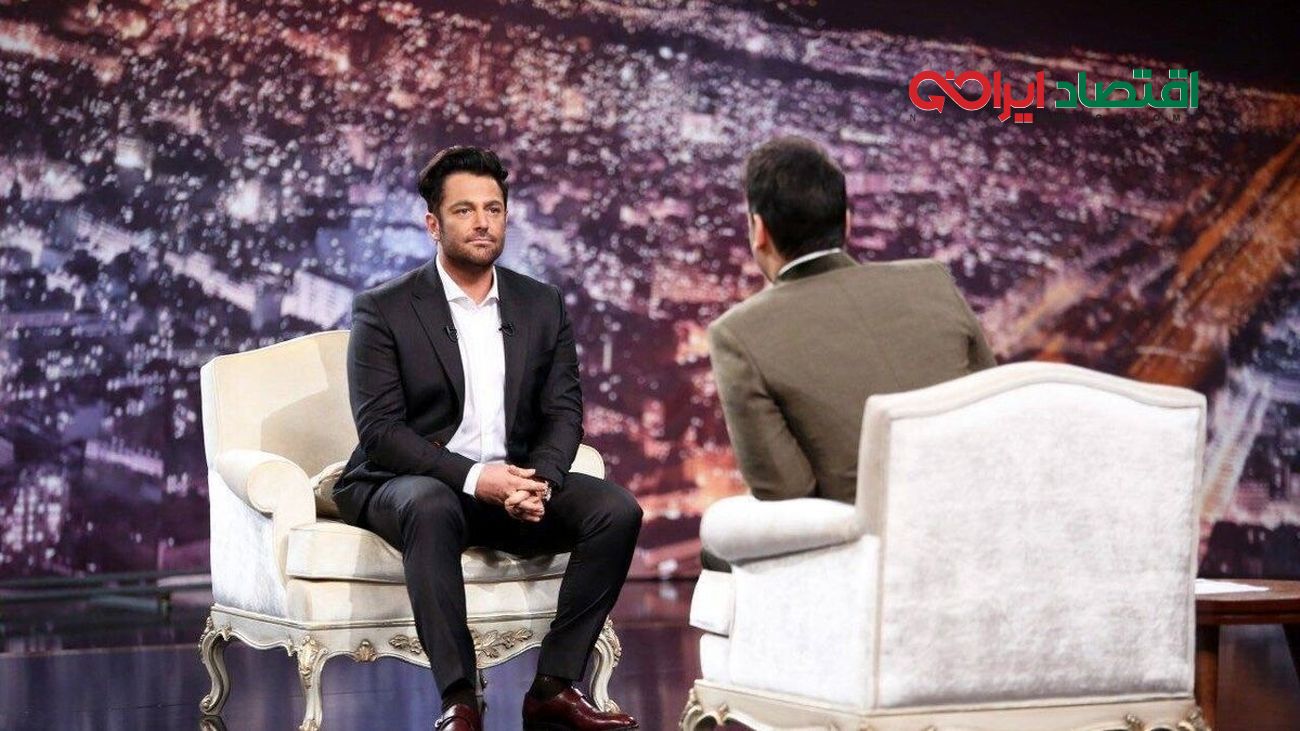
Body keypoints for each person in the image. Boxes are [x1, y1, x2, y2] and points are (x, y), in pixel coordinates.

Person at [333, 146, 642, 731]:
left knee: (615, 510)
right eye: (465, 210)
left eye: (493, 209)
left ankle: (552, 688)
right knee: (430, 504)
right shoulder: (384, 309)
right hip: (409, 482)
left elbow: (564, 411)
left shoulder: (541, 303)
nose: (482, 222)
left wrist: (539, 482)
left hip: (513, 480)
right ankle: (460, 700)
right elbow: (381, 433)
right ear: (433, 224)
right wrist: (479, 480)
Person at [705, 136, 996, 568]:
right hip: (978, 534)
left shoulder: (737, 334)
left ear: (759, 230)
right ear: (847, 221)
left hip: (863, 564)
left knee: (714, 551)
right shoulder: (933, 281)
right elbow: (992, 410)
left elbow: (786, 495)